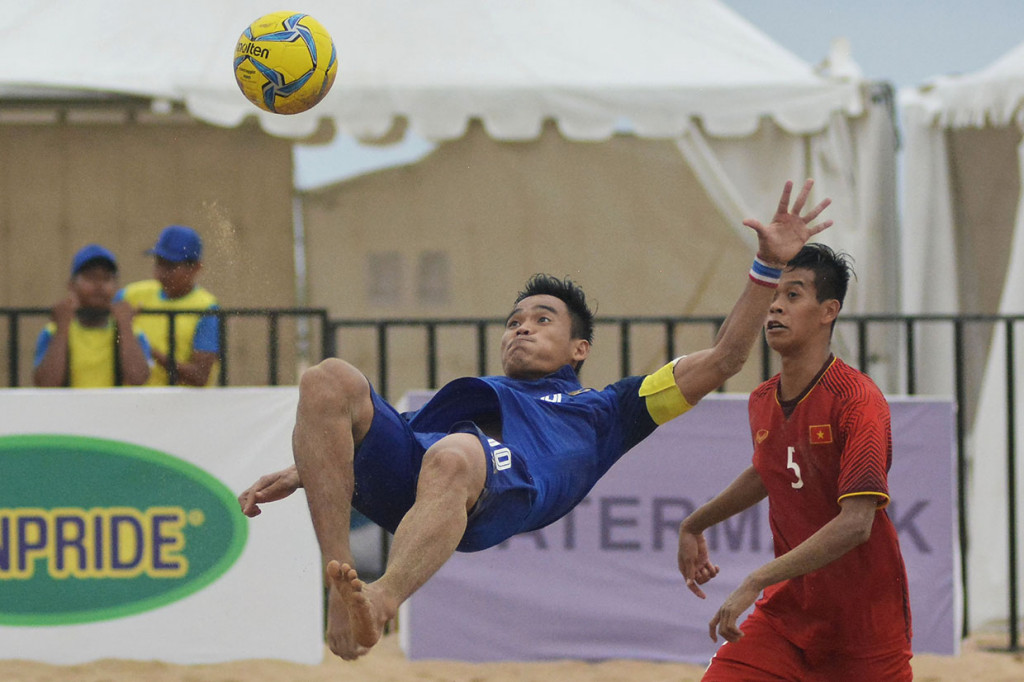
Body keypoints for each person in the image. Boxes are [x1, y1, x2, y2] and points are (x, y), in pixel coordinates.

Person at [238, 180, 833, 661]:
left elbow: (727, 356)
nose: (522, 325)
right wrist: (303, 469)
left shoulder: (611, 409)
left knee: (455, 454)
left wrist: (765, 268)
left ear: (579, 350)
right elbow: (383, 428)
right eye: (515, 320)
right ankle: (339, 589)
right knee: (328, 377)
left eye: (543, 319)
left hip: (491, 493)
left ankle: (383, 600)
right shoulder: (477, 394)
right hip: (425, 476)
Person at [676, 243, 913, 681]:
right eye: (774, 297)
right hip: (787, 618)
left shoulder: (858, 400)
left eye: (793, 295)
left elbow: (857, 523)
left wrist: (756, 578)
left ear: (828, 311)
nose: (775, 309)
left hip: (864, 624)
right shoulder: (762, 399)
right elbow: (769, 470)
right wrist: (695, 523)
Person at [34, 244, 152, 388]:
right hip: (70, 410)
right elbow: (47, 384)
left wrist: (125, 326)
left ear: (116, 287)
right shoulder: (52, 332)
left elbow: (138, 379)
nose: (99, 285)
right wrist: (63, 328)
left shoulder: (133, 332)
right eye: (91, 278)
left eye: (106, 278)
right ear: (71, 285)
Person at [116, 224, 221, 386]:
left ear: (195, 268)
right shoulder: (131, 295)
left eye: (171, 266)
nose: (161, 273)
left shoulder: (206, 308)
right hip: (136, 403)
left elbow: (200, 376)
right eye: (159, 263)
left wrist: (150, 352)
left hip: (182, 407)